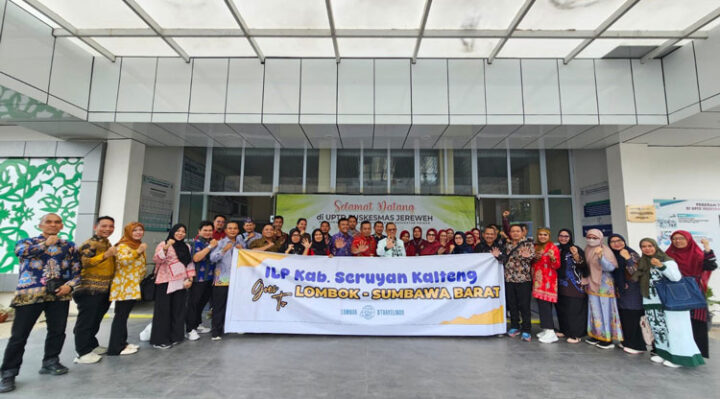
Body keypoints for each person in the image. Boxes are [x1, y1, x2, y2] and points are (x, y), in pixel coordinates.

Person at [0, 214, 80, 393]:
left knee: (57, 332)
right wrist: (46, 244)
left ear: (62, 225)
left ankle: (51, 361)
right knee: (19, 335)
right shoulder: (26, 243)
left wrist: (69, 287)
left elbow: (77, 271)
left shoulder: (69, 246)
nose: (53, 225)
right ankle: (8, 373)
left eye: (57, 222)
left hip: (59, 296)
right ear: (40, 225)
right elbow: (21, 253)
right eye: (48, 222)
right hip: (30, 295)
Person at [633, 238, 704, 368]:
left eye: (650, 246)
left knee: (675, 330)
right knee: (659, 329)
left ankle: (680, 358)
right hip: (651, 302)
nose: (647, 248)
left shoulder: (667, 260)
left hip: (670, 302)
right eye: (643, 246)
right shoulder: (643, 262)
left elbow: (676, 277)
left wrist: (661, 266)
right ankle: (664, 354)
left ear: (655, 247)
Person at [665, 230, 717, 359]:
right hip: (675, 290)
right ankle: (679, 351)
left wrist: (707, 248)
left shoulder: (697, 253)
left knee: (696, 320)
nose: (677, 241)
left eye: (681, 238)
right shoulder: (668, 254)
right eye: (674, 239)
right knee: (677, 321)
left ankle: (697, 352)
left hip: (694, 290)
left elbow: (710, 265)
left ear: (688, 240)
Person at [73, 216, 116, 364]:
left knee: (96, 319)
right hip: (89, 289)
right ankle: (82, 352)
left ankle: (92, 345)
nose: (108, 229)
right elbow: (83, 263)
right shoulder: (89, 244)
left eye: (111, 226)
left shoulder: (106, 243)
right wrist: (105, 255)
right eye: (104, 226)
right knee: (86, 320)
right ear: (95, 227)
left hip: (104, 288)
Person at [151, 224, 195, 349]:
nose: (180, 233)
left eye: (183, 231)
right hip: (165, 281)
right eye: (178, 231)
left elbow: (189, 263)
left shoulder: (186, 246)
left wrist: (190, 278)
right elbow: (157, 260)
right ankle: (160, 340)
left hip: (180, 282)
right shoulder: (163, 244)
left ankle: (176, 336)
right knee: (163, 311)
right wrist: (166, 247)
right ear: (173, 232)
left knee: (178, 310)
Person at [107, 222, 146, 356]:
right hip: (124, 286)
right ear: (129, 232)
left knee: (124, 315)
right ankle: (115, 347)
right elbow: (123, 261)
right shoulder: (123, 246)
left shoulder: (135, 245)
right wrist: (138, 252)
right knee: (121, 316)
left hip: (132, 285)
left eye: (140, 230)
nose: (138, 232)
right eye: (135, 230)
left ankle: (122, 343)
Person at [584, 229, 623, 349]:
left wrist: (601, 257)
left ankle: (607, 338)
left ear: (600, 239)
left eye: (594, 238)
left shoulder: (605, 250)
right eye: (589, 237)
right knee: (594, 311)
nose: (591, 239)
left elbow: (610, 267)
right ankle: (596, 335)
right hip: (592, 284)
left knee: (605, 311)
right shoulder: (587, 249)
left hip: (604, 285)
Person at [608, 234, 645, 354]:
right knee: (624, 316)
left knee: (632, 316)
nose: (616, 243)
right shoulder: (615, 256)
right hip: (622, 291)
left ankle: (636, 345)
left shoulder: (631, 254)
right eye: (613, 242)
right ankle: (626, 341)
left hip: (633, 291)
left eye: (619, 240)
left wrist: (628, 258)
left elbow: (636, 273)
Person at [209, 221, 244, 340]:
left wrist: (243, 250)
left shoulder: (241, 243)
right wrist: (224, 250)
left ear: (238, 231)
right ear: (226, 230)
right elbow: (212, 258)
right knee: (219, 306)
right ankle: (216, 331)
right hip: (222, 280)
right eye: (230, 228)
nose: (233, 230)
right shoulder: (220, 243)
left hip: (238, 280)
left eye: (235, 228)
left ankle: (232, 326)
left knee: (235, 305)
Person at [186, 221, 218, 341]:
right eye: (205, 230)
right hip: (198, 279)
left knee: (201, 303)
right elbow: (196, 258)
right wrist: (210, 247)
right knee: (193, 304)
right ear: (199, 231)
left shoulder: (211, 242)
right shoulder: (196, 243)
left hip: (209, 278)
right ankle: (190, 329)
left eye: (210, 230)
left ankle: (197, 324)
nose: (208, 232)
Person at [504, 224, 535, 342]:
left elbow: (531, 257)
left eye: (518, 231)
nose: (515, 233)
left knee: (524, 305)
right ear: (510, 233)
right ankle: (514, 326)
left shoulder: (528, 244)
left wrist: (526, 257)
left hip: (523, 279)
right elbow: (503, 258)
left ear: (522, 233)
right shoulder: (507, 245)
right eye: (513, 231)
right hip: (509, 279)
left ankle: (526, 329)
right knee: (512, 304)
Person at [555, 229, 587, 344]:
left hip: (574, 285)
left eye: (566, 236)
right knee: (562, 308)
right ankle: (564, 330)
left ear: (570, 237)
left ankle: (576, 334)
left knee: (574, 310)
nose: (563, 238)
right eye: (561, 236)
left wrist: (576, 255)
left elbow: (583, 265)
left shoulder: (575, 249)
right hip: (560, 284)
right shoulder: (557, 249)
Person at [532, 228, 561, 344]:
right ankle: (545, 329)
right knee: (541, 305)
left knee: (546, 306)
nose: (542, 237)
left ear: (549, 236)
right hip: (538, 281)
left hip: (548, 281)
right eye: (540, 235)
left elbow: (557, 265)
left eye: (545, 235)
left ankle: (550, 331)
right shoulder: (536, 247)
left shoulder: (553, 248)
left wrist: (552, 258)